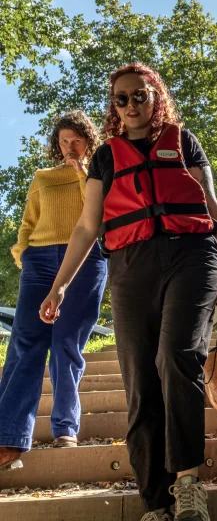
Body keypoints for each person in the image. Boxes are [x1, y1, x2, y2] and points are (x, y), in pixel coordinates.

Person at [38, 63, 217, 521]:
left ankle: (188, 482)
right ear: (114, 107)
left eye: (140, 95)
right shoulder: (105, 158)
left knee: (176, 358)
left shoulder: (184, 142)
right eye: (121, 99)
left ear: (156, 96)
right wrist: (59, 287)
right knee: (140, 383)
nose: (131, 105)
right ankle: (155, 507)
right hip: (131, 265)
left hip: (192, 255)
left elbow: (210, 204)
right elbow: (87, 228)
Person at [0, 111, 107, 471]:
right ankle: (8, 438)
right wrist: (23, 252)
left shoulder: (99, 173)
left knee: (65, 343)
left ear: (88, 140)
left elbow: (97, 216)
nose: (69, 147)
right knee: (26, 342)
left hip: (86, 259)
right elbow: (29, 220)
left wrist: (82, 173)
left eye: (76, 140)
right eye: (63, 141)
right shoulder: (42, 177)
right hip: (40, 259)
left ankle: (65, 428)